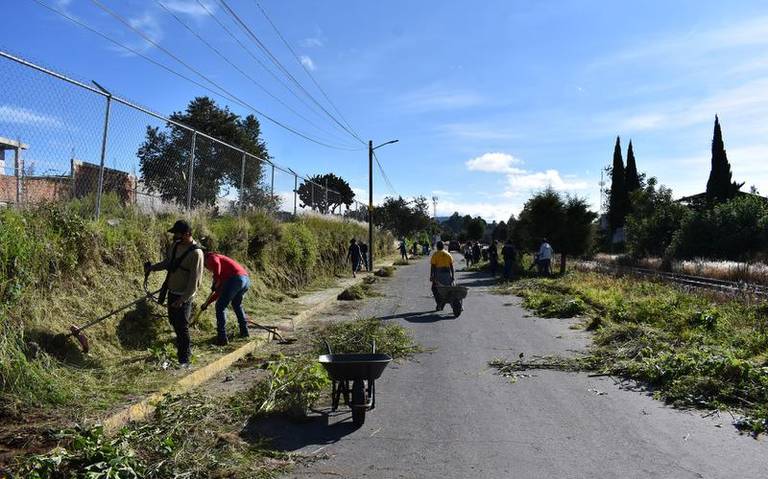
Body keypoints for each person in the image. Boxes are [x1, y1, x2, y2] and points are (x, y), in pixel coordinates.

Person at [144, 220, 204, 367]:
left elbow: (195, 281)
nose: (175, 237)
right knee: (173, 322)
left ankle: (184, 359)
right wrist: (152, 268)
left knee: (182, 326)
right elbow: (168, 263)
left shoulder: (196, 253)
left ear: (188, 234)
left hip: (184, 295)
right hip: (171, 291)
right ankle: (184, 351)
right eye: (175, 234)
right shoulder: (175, 246)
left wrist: (183, 299)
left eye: (178, 234)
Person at [200, 250, 250, 346]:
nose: (207, 268)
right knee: (237, 305)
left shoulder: (212, 256)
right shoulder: (225, 274)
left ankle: (222, 337)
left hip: (236, 279)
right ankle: (244, 332)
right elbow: (218, 293)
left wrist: (216, 280)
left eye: (206, 266)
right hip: (245, 280)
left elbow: (216, 263)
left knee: (220, 307)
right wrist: (206, 303)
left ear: (205, 259)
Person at [430, 241, 455, 311]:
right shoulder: (448, 254)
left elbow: (433, 267)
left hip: (439, 275)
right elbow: (451, 266)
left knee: (434, 289)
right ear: (443, 246)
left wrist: (432, 276)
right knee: (448, 290)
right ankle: (443, 304)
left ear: (437, 247)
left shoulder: (435, 254)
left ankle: (439, 303)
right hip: (447, 275)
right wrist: (452, 276)